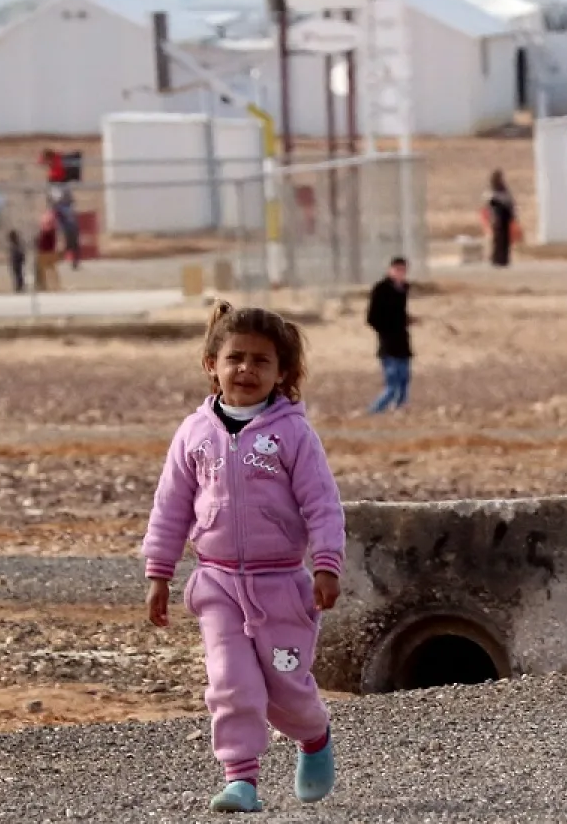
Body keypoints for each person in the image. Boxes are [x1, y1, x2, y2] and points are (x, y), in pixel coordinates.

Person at [143, 302, 345, 814]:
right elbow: (169, 506)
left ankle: (314, 736)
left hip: (282, 586)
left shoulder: (293, 434)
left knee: (285, 688)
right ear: (213, 363)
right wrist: (159, 572)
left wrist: (326, 563)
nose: (247, 370)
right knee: (231, 683)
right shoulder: (193, 434)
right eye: (236, 358)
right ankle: (241, 778)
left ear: (283, 373)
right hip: (217, 585)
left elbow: (322, 503)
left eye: (261, 361)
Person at [365, 256, 414, 413]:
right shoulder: (381, 289)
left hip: (403, 343)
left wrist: (406, 320)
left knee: (404, 381)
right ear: (390, 270)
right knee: (392, 385)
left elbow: (399, 313)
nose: (401, 273)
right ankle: (373, 412)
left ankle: (399, 411)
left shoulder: (403, 289)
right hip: (389, 344)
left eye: (403, 270)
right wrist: (388, 328)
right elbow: (372, 318)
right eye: (397, 270)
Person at [482, 169, 518, 268]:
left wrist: (513, 215)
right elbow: (489, 202)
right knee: (497, 239)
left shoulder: (503, 189)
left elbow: (510, 202)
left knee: (505, 239)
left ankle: (504, 260)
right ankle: (496, 259)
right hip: (496, 217)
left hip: (505, 217)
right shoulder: (493, 190)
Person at [34, 208, 60, 292]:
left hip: (45, 252)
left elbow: (43, 243)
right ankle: (54, 286)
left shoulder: (47, 232)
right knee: (50, 270)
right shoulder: (52, 231)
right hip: (48, 251)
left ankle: (47, 286)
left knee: (44, 270)